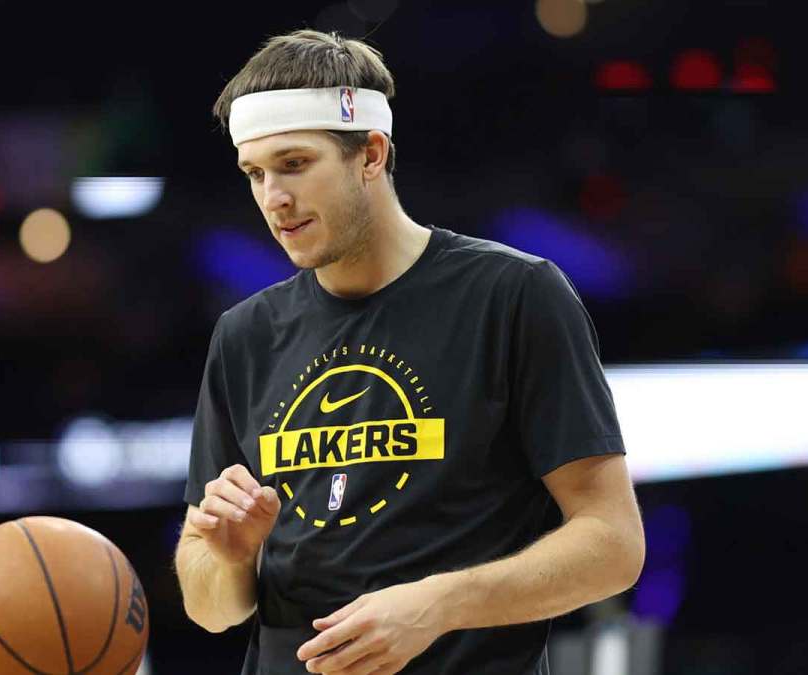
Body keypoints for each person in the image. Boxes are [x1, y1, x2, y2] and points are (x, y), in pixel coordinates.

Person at [173, 29, 645, 675]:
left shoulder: (513, 295)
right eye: (254, 173)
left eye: (293, 164)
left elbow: (614, 544)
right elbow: (211, 607)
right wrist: (226, 553)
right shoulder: (243, 335)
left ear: (370, 152)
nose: (272, 198)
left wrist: (440, 602)